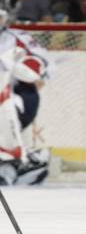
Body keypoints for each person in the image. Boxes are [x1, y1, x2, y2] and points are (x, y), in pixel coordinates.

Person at [0, 9, 53, 185]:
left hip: (16, 98)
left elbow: (42, 64)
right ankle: (28, 162)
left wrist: (35, 73)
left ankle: (8, 165)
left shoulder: (17, 39)